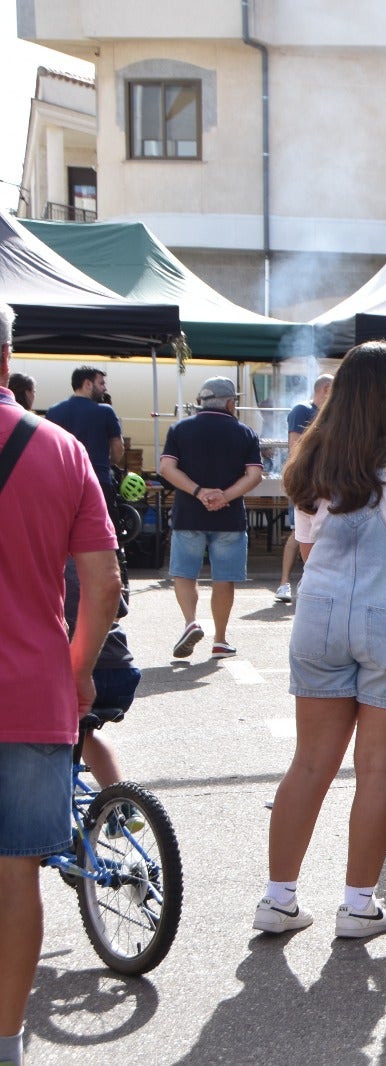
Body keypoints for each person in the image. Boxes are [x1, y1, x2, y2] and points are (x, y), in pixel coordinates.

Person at [254, 342, 386, 940]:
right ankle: (359, 905)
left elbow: (308, 547)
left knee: (309, 763)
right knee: (379, 769)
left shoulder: (314, 458)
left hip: (321, 611)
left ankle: (278, 898)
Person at [0, 303, 122, 1066]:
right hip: (30, 692)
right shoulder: (59, 449)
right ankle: (7, 1043)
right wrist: (75, 670)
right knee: (18, 874)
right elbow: (103, 583)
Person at [159, 377, 264, 659]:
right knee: (224, 579)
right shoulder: (245, 432)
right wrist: (224, 496)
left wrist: (199, 491)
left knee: (184, 573)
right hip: (229, 517)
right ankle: (220, 639)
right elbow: (254, 474)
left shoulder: (179, 429)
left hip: (188, 513)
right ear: (230, 402)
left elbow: (167, 467)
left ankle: (191, 621)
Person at [63, 559, 140, 787]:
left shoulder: (37, 566)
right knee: (87, 733)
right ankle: (120, 804)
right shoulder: (86, 561)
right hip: (121, 672)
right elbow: (115, 613)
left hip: (75, 673)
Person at [277, 373, 333, 603]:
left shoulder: (329, 414)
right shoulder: (302, 410)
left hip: (325, 484)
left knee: (314, 534)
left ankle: (310, 583)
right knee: (298, 534)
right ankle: (284, 583)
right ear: (327, 389)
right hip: (306, 484)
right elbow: (295, 447)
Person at [45, 365, 123, 494]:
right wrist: (107, 462)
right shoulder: (105, 411)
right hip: (98, 480)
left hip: (62, 483)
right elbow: (117, 449)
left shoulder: (53, 412)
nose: (105, 388)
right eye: (101, 383)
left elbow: (48, 450)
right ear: (88, 384)